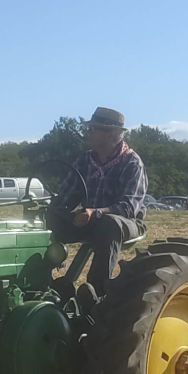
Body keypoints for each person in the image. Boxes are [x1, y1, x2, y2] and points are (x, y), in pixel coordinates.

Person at [49, 107, 147, 296]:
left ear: (110, 134)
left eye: (94, 129)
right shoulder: (85, 161)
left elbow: (128, 208)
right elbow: (65, 198)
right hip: (89, 220)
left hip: (125, 222)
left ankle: (96, 292)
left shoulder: (132, 163)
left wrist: (95, 212)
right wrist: (53, 211)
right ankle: (41, 284)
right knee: (46, 218)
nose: (88, 133)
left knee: (109, 224)